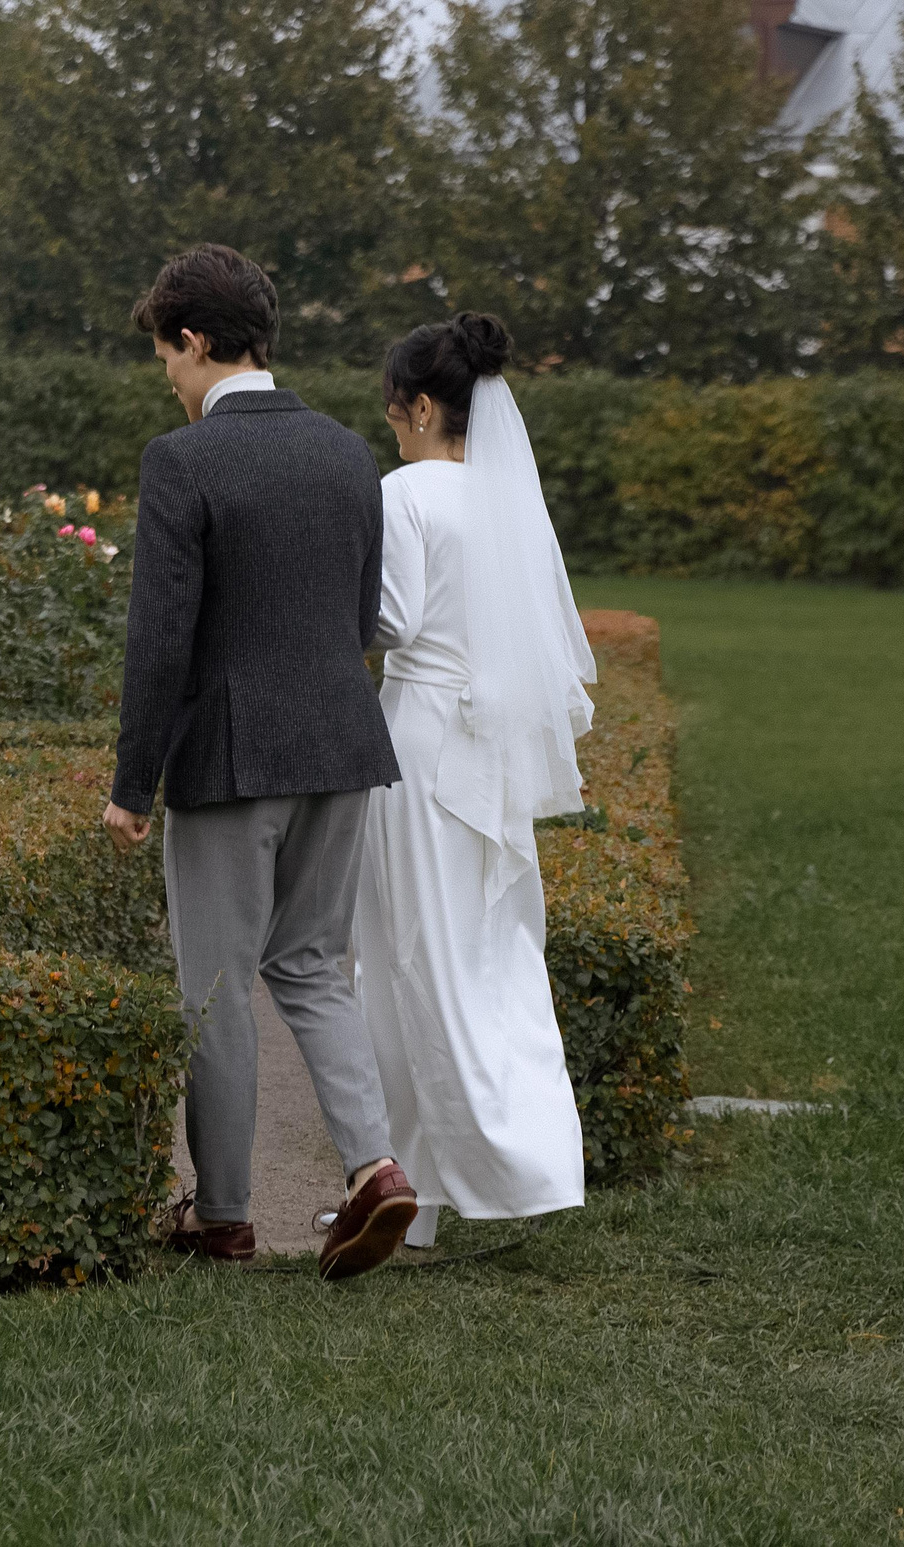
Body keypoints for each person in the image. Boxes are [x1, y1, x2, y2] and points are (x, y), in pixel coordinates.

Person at [103, 243, 422, 1283]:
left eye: (167, 355)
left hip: (230, 759)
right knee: (312, 965)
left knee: (215, 988)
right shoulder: (348, 453)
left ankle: (224, 1217)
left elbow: (160, 640)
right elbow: (362, 617)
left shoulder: (181, 460)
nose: (167, 376)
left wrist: (131, 786)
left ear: (195, 340)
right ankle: (375, 1168)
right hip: (343, 743)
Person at [353, 313, 593, 1251]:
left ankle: (458, 1174)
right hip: (486, 748)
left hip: (419, 739)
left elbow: (393, 621)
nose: (391, 430)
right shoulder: (509, 501)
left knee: (406, 957)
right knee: (488, 953)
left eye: (393, 412)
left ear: (420, 406)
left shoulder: (405, 494)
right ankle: (466, 1180)